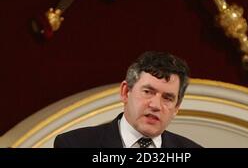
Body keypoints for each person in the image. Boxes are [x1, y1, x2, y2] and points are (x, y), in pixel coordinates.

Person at [54, 51, 202, 148]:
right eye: (148, 92)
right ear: (125, 92)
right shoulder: (74, 144)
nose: (156, 105)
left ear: (176, 107)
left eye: (168, 98)